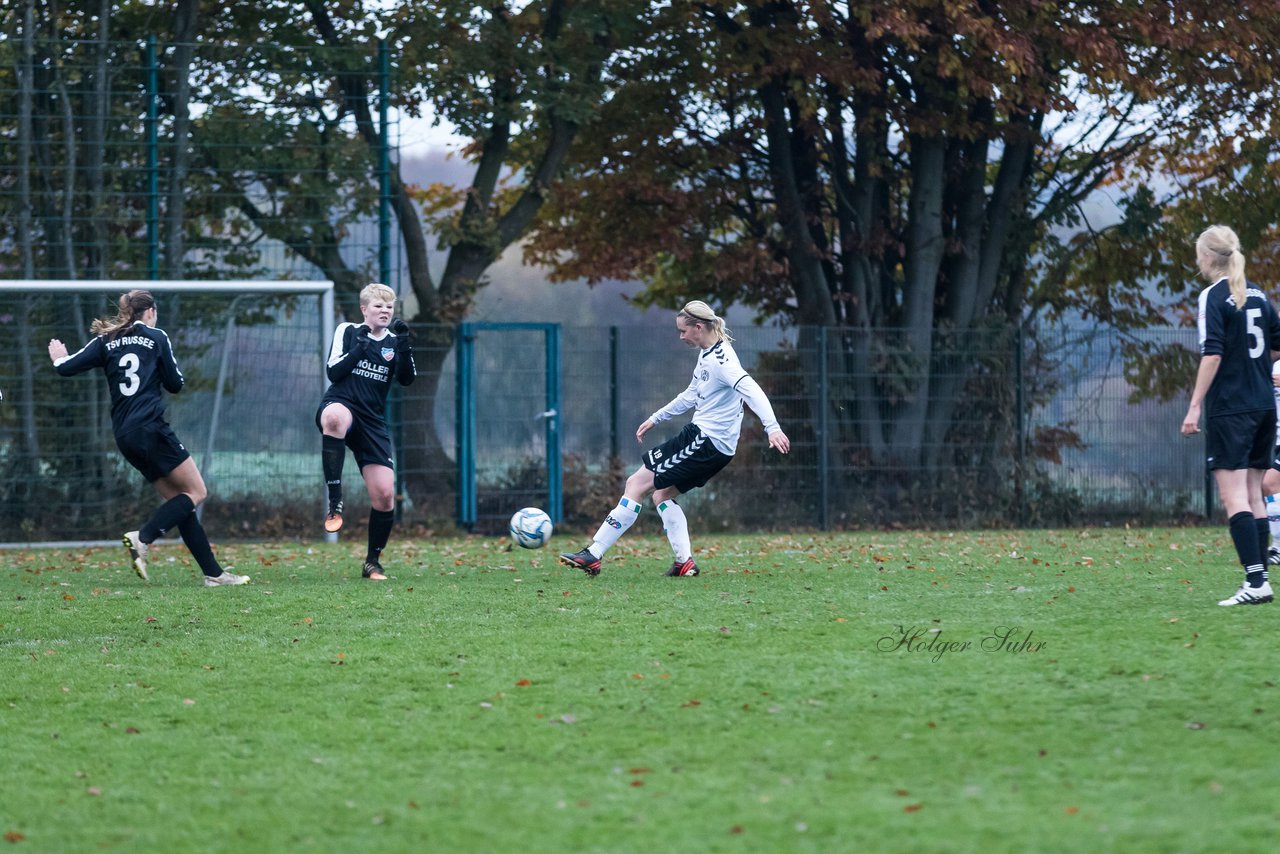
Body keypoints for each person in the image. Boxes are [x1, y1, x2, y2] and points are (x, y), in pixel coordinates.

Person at [560, 300, 790, 578]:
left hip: (703, 440)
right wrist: (656, 417)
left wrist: (772, 427)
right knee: (663, 495)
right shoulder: (708, 354)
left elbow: (751, 389)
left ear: (699, 327)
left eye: (684, 331)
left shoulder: (723, 360)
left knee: (635, 484)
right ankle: (684, 563)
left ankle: (593, 554)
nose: (681, 336)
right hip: (716, 447)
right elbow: (691, 395)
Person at [48, 289, 248, 587]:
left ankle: (214, 575)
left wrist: (59, 357)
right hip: (151, 428)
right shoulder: (156, 338)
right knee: (197, 492)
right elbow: (176, 383)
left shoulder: (108, 339)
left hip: (125, 436)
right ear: (150, 311)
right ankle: (142, 538)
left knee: (180, 503)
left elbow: (65, 368)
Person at [1181, 225, 1280, 606]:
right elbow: (1276, 343)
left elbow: (1213, 353)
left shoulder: (1213, 296)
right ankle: (1261, 580)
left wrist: (1194, 406)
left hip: (1233, 408)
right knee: (1255, 493)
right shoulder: (1258, 293)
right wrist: (1254, 363)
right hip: (1264, 405)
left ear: (1207, 257)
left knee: (1234, 496)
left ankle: (1255, 583)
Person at [317, 282, 416, 580]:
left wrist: (405, 345)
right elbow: (334, 372)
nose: (385, 311)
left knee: (385, 495)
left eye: (389, 306)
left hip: (372, 420)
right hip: (342, 403)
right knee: (333, 418)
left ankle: (372, 562)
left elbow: (408, 380)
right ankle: (335, 499)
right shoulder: (348, 331)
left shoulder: (394, 341)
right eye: (378, 306)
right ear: (364, 309)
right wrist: (360, 347)